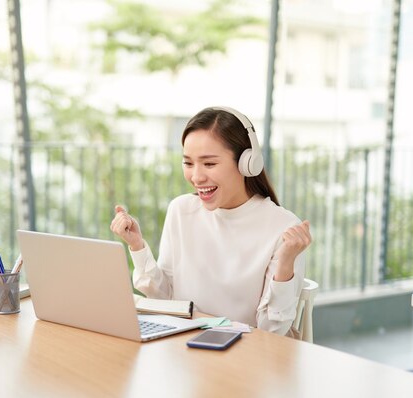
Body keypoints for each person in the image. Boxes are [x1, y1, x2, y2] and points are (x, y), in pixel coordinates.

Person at [110, 106, 312, 335]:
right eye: (188, 163)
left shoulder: (283, 227)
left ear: (248, 162)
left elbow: (272, 332)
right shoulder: (181, 210)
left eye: (209, 164)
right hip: (183, 345)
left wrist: (285, 266)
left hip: (243, 355)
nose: (196, 176)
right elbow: (166, 300)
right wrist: (137, 246)